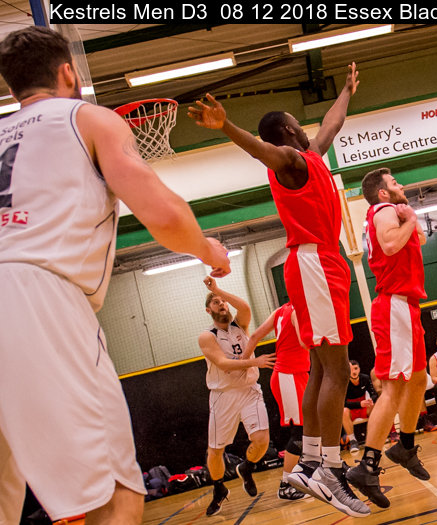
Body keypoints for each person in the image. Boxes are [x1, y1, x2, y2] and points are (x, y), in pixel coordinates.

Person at [0, 27, 231, 525]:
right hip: (37, 295)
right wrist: (206, 248)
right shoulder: (86, 118)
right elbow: (164, 214)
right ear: (68, 72)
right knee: (116, 492)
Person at [188, 63, 370, 517]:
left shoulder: (312, 158)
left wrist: (347, 91)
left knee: (319, 368)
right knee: (337, 370)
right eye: (296, 123)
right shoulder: (289, 160)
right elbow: (262, 150)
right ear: (289, 130)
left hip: (315, 264)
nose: (306, 129)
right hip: (314, 263)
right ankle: (329, 469)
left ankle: (308, 463)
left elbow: (330, 125)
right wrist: (226, 126)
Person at [346, 168, 432, 508]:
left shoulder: (393, 213)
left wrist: (410, 217)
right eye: (395, 183)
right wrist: (408, 218)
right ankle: (367, 465)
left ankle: (406, 446)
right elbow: (392, 244)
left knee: (419, 379)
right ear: (382, 193)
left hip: (406, 305)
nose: (402, 185)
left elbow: (419, 239)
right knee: (394, 387)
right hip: (394, 303)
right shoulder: (383, 211)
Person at [198, 277, 275, 516]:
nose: (222, 304)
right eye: (216, 303)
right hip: (224, 396)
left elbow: (245, 308)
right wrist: (255, 362)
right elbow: (223, 364)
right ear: (208, 310)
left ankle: (247, 467)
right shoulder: (207, 336)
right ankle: (219, 487)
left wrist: (218, 290)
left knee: (262, 440)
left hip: (250, 390)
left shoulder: (240, 325)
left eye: (223, 302)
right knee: (215, 450)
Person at [244, 302, 309, 501]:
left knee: (312, 426)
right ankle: (286, 485)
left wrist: (243, 362)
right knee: (300, 431)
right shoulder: (297, 310)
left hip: (297, 373)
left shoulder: (280, 310)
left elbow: (254, 337)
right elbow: (305, 342)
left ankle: (312, 472)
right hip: (288, 374)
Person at [343, 360, 378, 453]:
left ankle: (374, 437)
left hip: (363, 407)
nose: (354, 372)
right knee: (343, 411)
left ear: (359, 369)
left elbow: (374, 394)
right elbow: (343, 403)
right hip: (351, 410)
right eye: (350, 369)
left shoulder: (365, 378)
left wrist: (371, 400)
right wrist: (359, 404)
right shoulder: (344, 382)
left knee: (375, 406)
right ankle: (353, 441)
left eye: (355, 368)